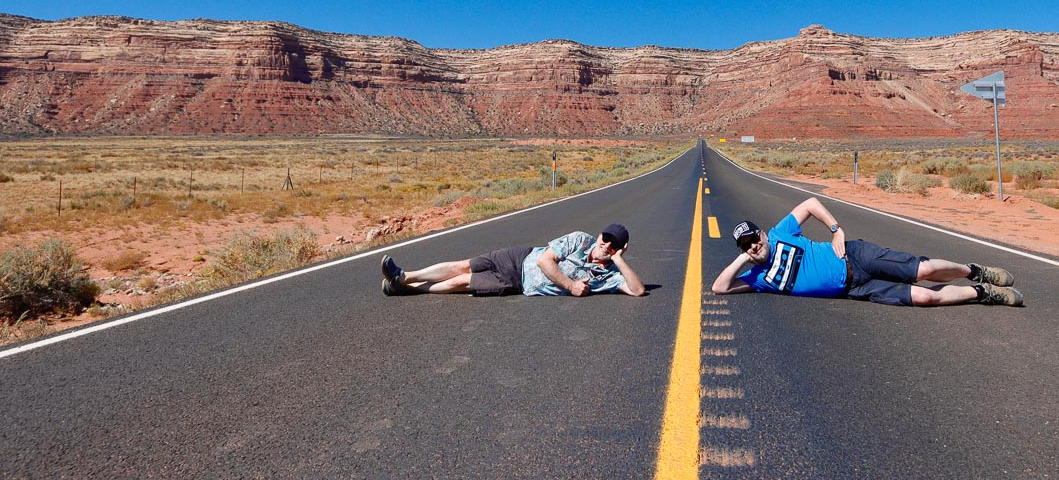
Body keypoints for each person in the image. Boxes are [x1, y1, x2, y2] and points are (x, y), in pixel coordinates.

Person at [712, 197, 1024, 307]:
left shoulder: (781, 233)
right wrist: (743, 258)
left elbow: (809, 204)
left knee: (924, 271)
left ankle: (974, 270)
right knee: (925, 297)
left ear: (763, 233)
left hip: (856, 256)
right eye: (745, 245)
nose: (753, 245)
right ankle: (982, 293)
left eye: (754, 239)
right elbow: (720, 288)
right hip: (856, 289)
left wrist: (836, 229)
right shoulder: (757, 278)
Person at [381, 223, 646, 297]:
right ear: (600, 235)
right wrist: (571, 286)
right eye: (605, 238)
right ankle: (405, 276)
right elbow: (545, 261)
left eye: (614, 245)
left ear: (620, 249)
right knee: (463, 264)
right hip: (520, 255)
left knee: (461, 282)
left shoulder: (607, 276)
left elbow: (638, 290)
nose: (606, 245)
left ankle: (404, 288)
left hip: (517, 281)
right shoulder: (580, 239)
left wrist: (620, 260)